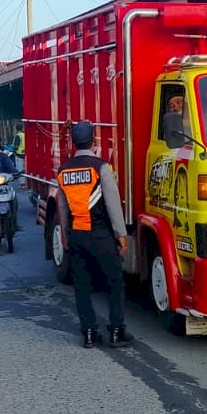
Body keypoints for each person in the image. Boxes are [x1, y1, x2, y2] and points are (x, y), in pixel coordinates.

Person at [56, 120, 131, 347]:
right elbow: (112, 203)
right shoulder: (101, 168)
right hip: (100, 235)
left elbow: (63, 208)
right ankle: (116, 331)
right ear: (93, 141)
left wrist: (66, 236)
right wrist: (121, 234)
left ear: (74, 143)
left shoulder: (63, 171)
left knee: (81, 286)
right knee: (114, 282)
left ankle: (89, 333)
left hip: (76, 235)